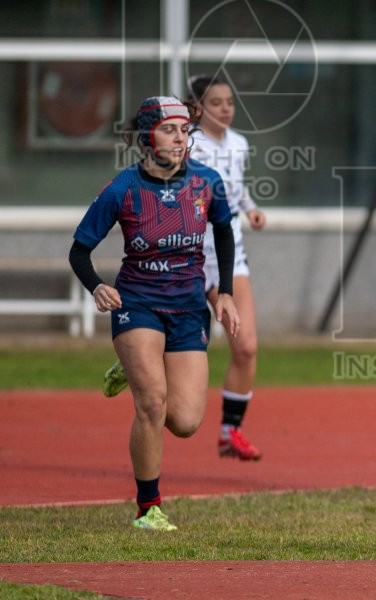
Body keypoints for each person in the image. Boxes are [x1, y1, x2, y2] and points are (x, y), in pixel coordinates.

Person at [69, 96, 241, 531]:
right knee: (152, 403)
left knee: (184, 422)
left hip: (187, 308)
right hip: (137, 304)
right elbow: (79, 251)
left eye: (186, 131)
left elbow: (223, 229)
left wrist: (226, 294)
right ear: (147, 137)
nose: (180, 138)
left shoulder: (207, 182)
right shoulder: (123, 188)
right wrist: (97, 286)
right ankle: (149, 509)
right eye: (170, 130)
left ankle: (130, 366)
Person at [103, 74, 266, 461]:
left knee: (246, 346)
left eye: (230, 101)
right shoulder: (186, 142)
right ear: (198, 109)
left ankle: (230, 432)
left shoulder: (239, 144)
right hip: (188, 256)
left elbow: (234, 187)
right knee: (168, 350)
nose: (226, 108)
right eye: (216, 102)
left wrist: (251, 208)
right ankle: (140, 356)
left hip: (229, 256)